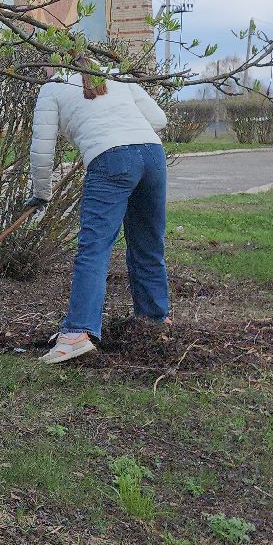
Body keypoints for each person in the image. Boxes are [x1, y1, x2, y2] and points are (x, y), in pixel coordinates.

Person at [27, 68, 171, 364]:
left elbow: (42, 152)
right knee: (148, 244)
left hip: (111, 160)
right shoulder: (111, 73)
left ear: (52, 62)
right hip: (153, 155)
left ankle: (78, 333)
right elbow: (159, 119)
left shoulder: (52, 88)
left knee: (94, 248)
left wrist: (42, 193)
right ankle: (155, 320)